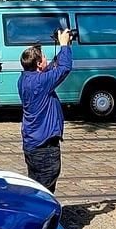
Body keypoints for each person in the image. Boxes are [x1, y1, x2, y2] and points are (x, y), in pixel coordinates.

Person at [18, 28, 73, 193]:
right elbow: (64, 68)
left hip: (32, 143)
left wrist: (65, 45)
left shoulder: (24, 78)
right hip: (45, 147)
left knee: (35, 187)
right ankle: (44, 218)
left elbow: (50, 70)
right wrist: (64, 45)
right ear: (38, 64)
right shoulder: (41, 82)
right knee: (45, 191)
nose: (46, 59)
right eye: (44, 58)